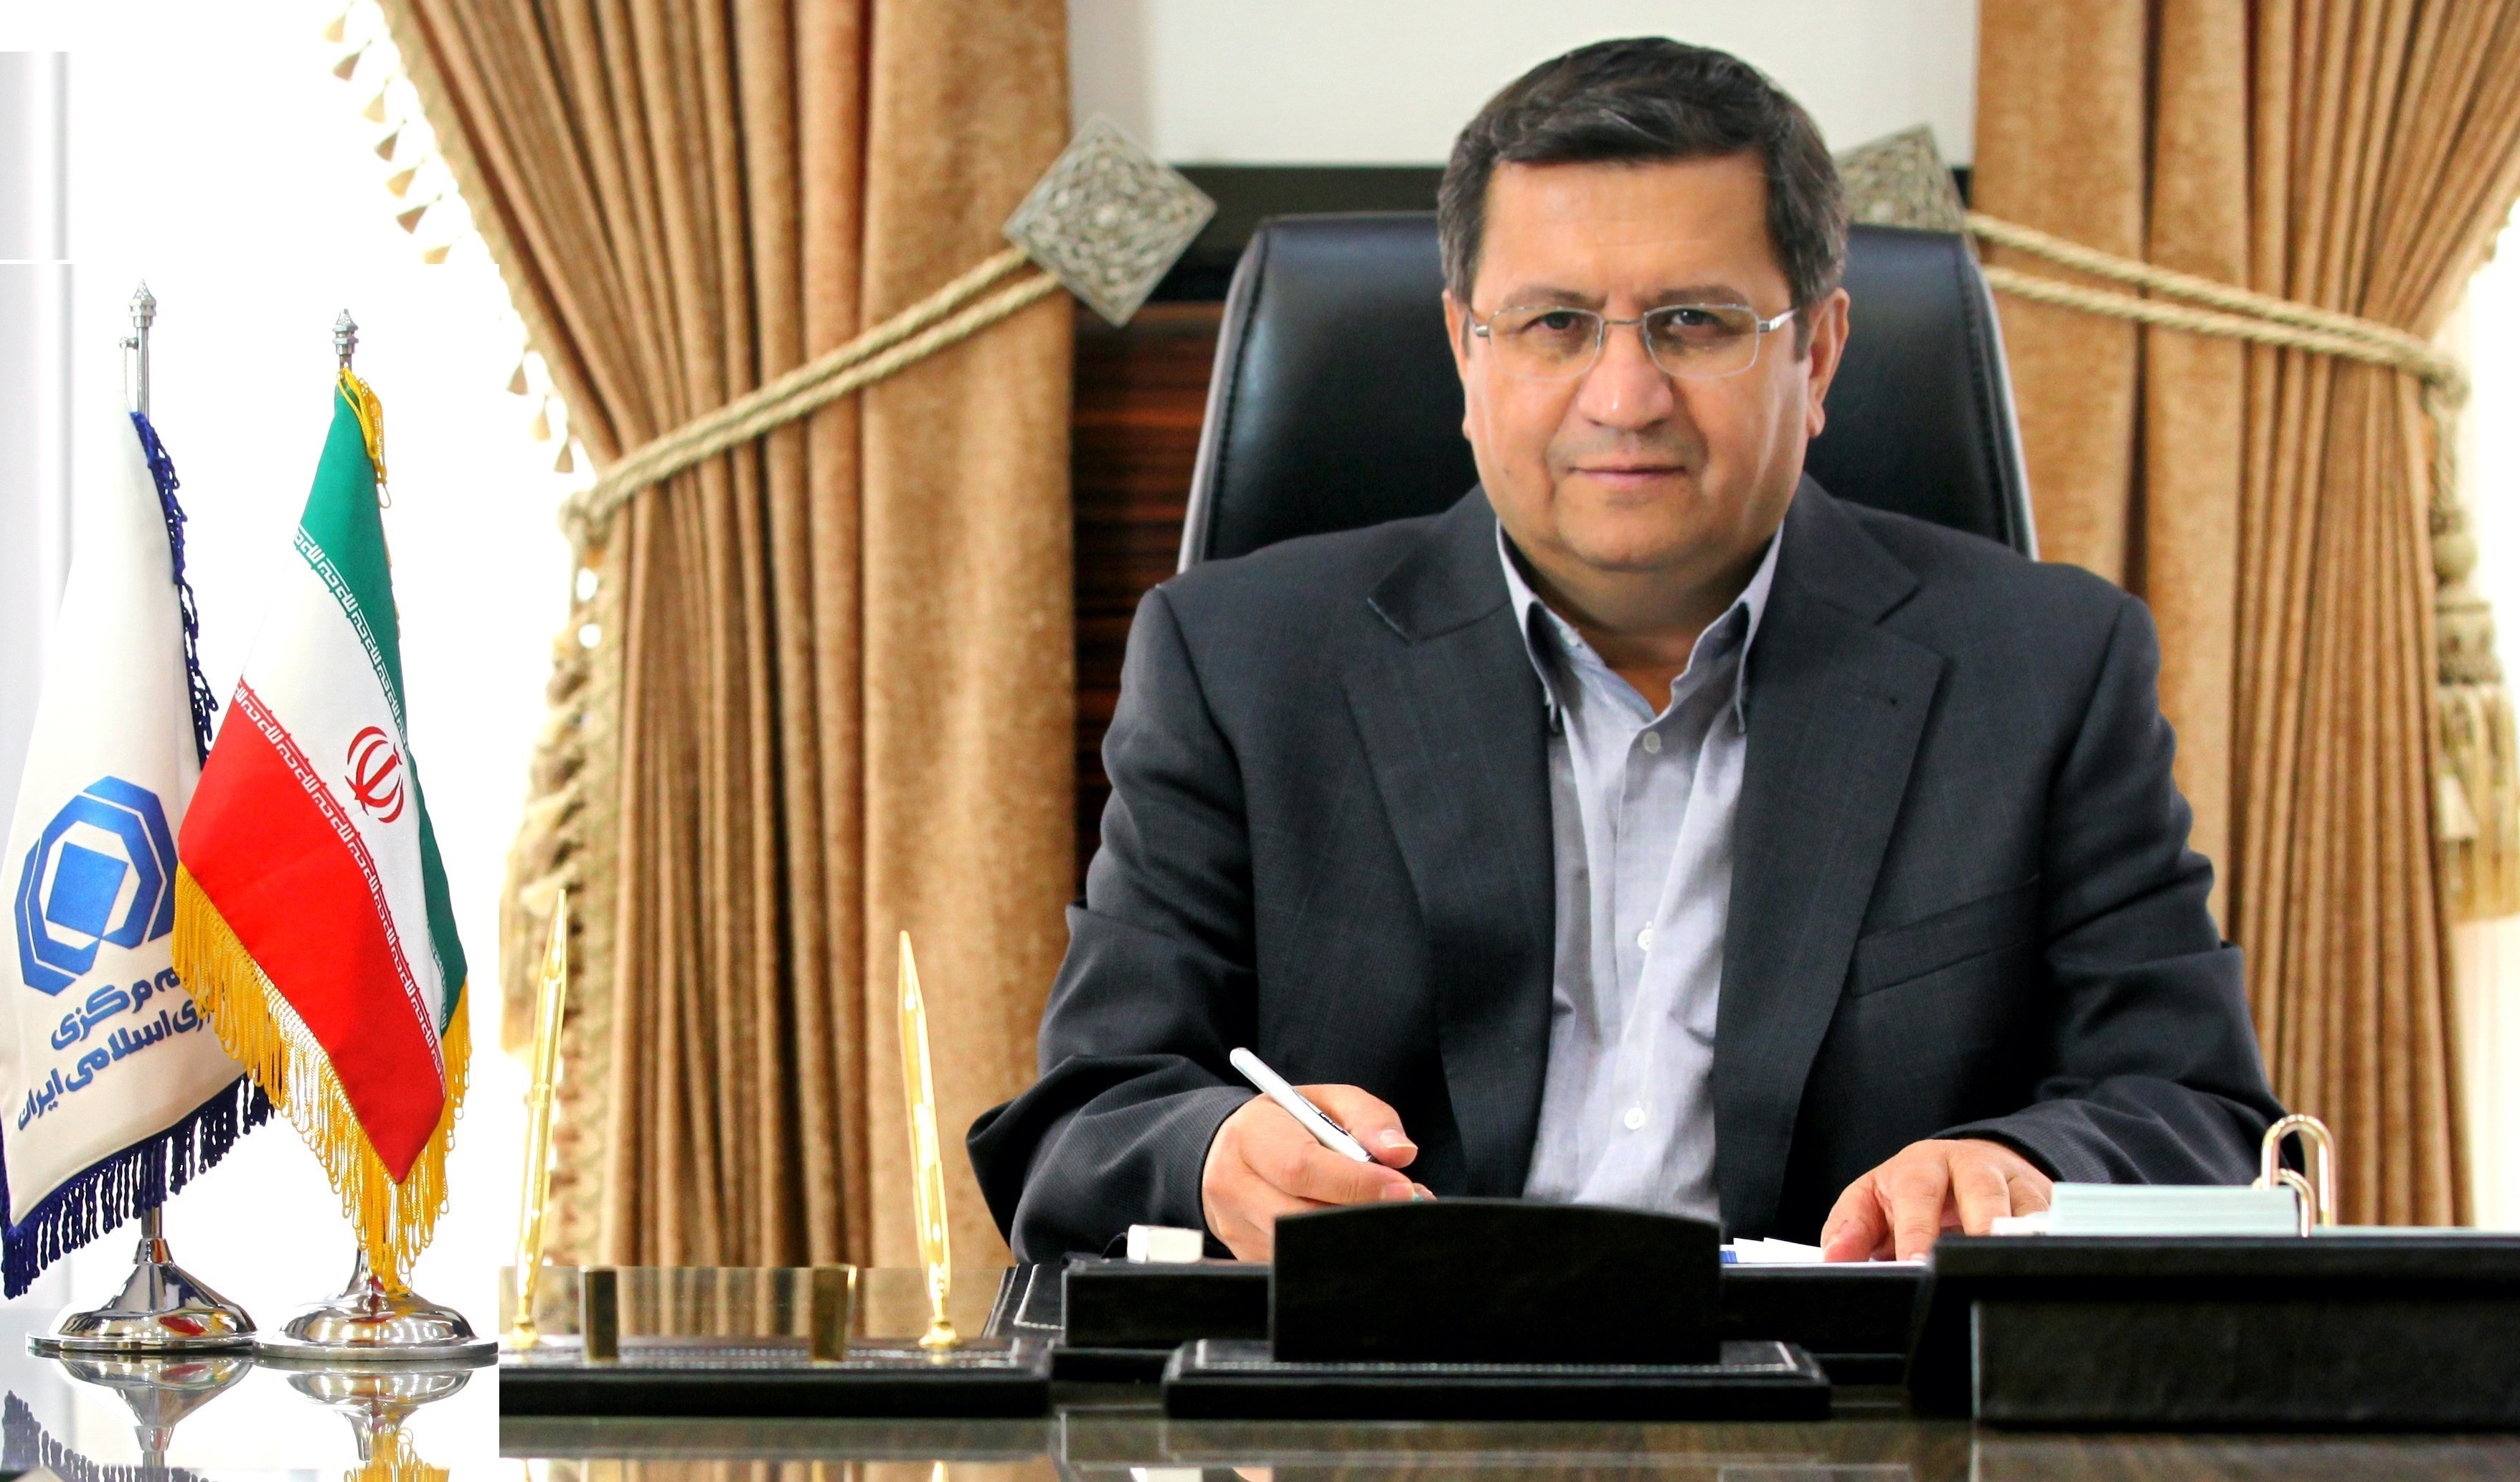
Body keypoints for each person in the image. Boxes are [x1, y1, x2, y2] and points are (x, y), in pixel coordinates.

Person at [968, 37, 2282, 1264]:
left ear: (1819, 355)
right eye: (1553, 324)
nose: (1623, 397)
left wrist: (2016, 1165)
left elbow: (2200, 1115)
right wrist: (1213, 1155)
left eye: (1694, 322)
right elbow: (1082, 1121)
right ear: (1464, 352)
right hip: (1390, 1390)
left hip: (1844, 1397)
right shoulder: (1239, 661)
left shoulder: (2045, 666)